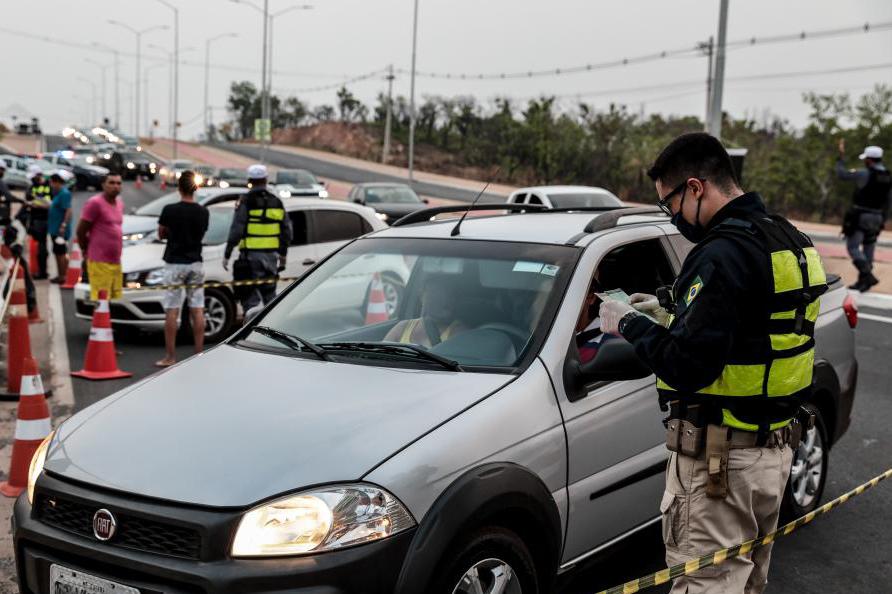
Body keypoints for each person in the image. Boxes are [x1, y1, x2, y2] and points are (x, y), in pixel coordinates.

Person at [599, 133, 827, 594]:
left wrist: (626, 324)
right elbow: (749, 330)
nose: (673, 217)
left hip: (721, 466)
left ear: (696, 187)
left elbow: (687, 364)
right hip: (772, 457)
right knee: (744, 585)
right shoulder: (790, 239)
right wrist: (666, 313)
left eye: (670, 204)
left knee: (706, 583)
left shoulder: (721, 253)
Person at [155, 171, 210, 367]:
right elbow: (201, 233)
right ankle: (199, 354)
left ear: (178, 188)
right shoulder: (203, 212)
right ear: (196, 188)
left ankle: (170, 356)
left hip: (174, 263)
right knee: (197, 309)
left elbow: (161, 234)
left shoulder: (169, 209)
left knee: (172, 309)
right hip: (195, 263)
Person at [223, 164, 291, 319]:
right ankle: (270, 332)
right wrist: (283, 256)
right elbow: (287, 231)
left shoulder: (246, 201)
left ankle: (248, 334)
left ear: (249, 180)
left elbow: (237, 230)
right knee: (270, 301)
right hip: (271, 258)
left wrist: (227, 253)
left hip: (250, 259)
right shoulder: (276, 202)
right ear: (266, 179)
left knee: (249, 300)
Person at [836, 141, 891, 292]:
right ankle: (863, 283)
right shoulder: (887, 176)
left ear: (870, 160)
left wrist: (840, 157)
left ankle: (867, 275)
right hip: (877, 217)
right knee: (869, 249)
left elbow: (842, 174)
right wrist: (883, 220)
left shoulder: (864, 173)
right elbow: (888, 201)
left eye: (865, 159)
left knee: (853, 247)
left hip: (861, 216)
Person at [76, 174, 125, 301]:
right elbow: (81, 230)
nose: (116, 186)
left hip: (115, 260)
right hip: (99, 261)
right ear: (103, 185)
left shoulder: (119, 204)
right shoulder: (95, 203)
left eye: (119, 183)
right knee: (101, 300)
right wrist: (85, 250)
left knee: (114, 300)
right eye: (112, 183)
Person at [384, 277, 468, 347]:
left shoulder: (458, 333)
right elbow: (381, 355)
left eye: (450, 295)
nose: (446, 300)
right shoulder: (402, 327)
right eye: (436, 295)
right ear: (422, 296)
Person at [23, 165, 52, 279]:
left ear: (38, 175)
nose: (32, 179)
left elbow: (48, 204)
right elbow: (28, 198)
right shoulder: (32, 186)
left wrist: (34, 203)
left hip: (42, 219)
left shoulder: (47, 187)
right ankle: (39, 270)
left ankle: (42, 272)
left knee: (41, 246)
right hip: (34, 219)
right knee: (38, 245)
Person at [47, 171, 73, 283]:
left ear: (56, 182)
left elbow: (68, 210)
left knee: (61, 253)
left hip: (60, 230)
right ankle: (61, 274)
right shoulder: (57, 193)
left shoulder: (64, 193)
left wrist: (63, 225)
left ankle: (63, 276)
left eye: (51, 183)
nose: (51, 185)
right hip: (54, 228)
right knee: (57, 253)